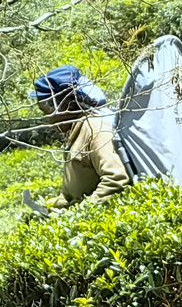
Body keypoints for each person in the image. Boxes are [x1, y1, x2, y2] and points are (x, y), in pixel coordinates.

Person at [33, 65, 130, 208]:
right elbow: (76, 190)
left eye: (47, 109)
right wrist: (56, 205)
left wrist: (80, 213)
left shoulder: (95, 128)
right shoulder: (77, 130)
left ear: (67, 105)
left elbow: (117, 179)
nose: (46, 118)